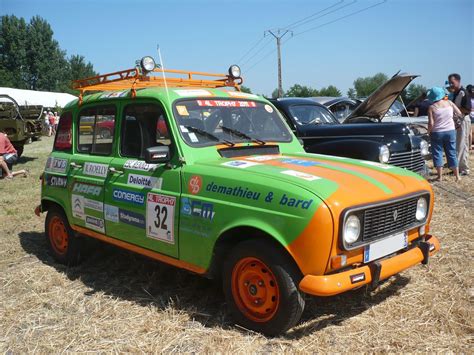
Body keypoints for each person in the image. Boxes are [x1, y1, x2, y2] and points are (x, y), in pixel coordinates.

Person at [427, 87, 462, 182]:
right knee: (452, 153)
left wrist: (428, 131)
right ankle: (457, 176)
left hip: (437, 132)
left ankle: (440, 177)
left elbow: (431, 123)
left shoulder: (432, 107)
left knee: (437, 153)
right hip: (450, 131)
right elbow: (459, 113)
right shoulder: (450, 103)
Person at [448, 73, 471, 175]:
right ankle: (457, 168)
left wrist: (454, 109)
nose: (450, 85)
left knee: (462, 144)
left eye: (452, 82)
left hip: (463, 120)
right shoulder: (455, 93)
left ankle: (464, 169)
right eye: (449, 83)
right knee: (458, 144)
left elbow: (468, 109)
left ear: (458, 81)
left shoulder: (463, 93)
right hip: (457, 121)